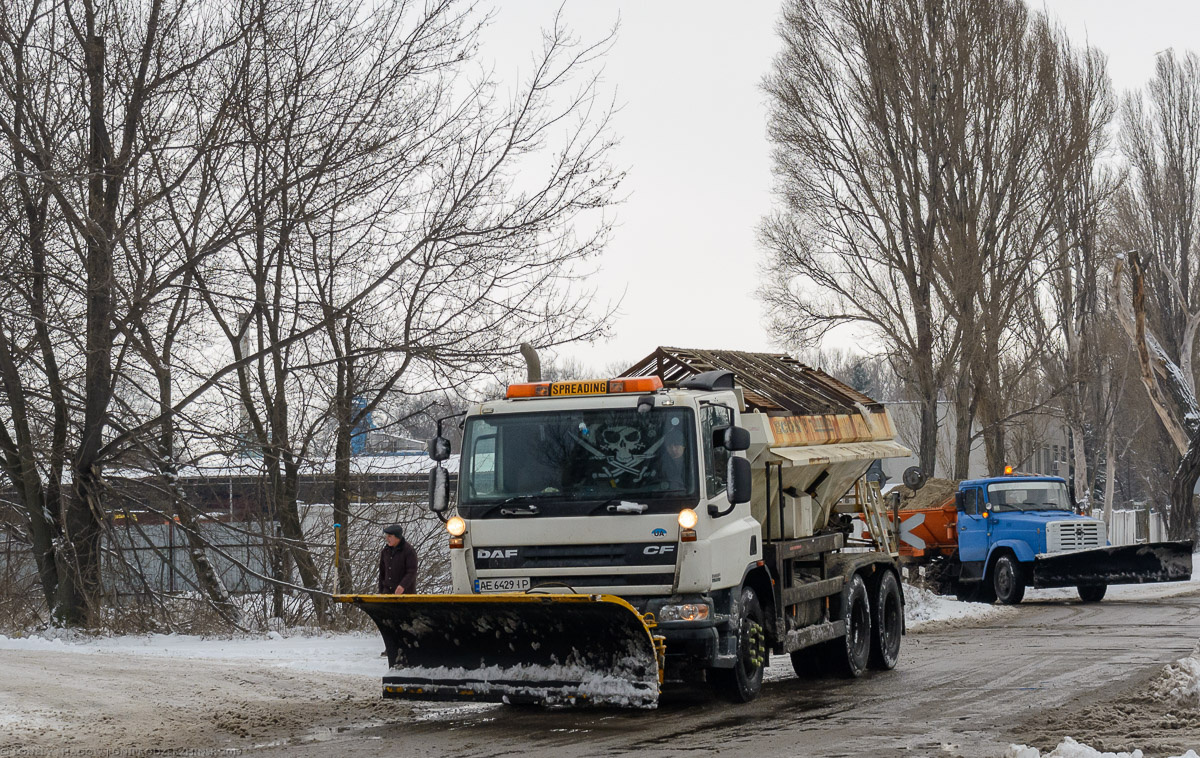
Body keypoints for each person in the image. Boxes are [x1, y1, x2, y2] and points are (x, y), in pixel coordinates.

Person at [379, 524, 418, 595]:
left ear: (397, 537)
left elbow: (412, 571)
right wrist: (380, 591)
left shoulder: (409, 551)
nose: (387, 539)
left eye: (390, 536)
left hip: (406, 593)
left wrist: (402, 586)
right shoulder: (385, 551)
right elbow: (382, 573)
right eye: (387, 536)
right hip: (387, 593)